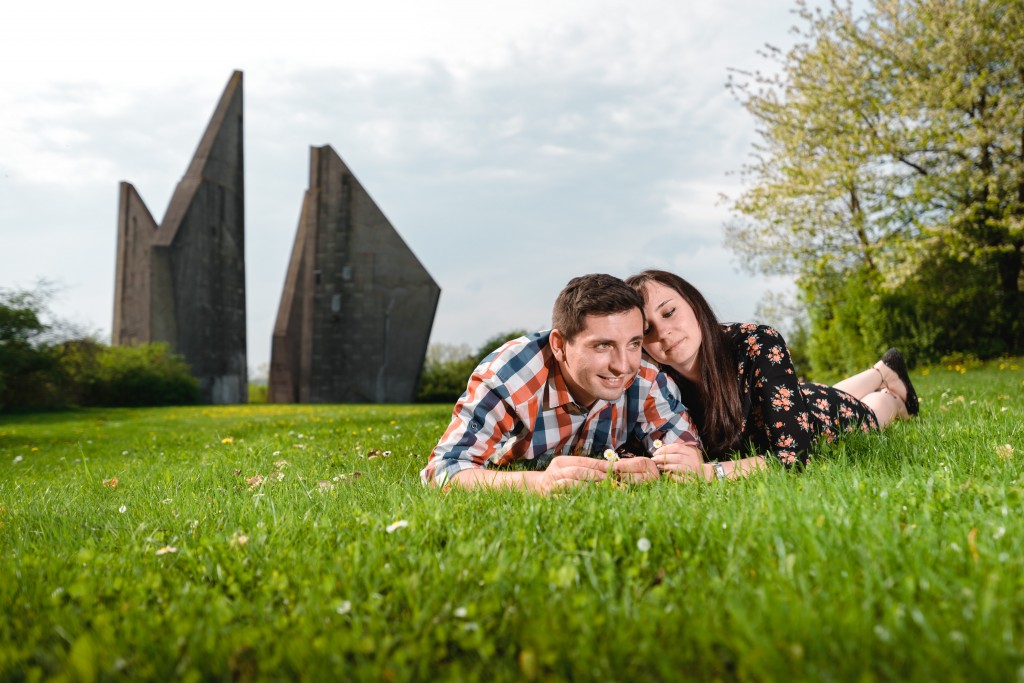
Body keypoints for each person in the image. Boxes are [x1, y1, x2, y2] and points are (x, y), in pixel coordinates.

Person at [624, 269, 920, 481]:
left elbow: (793, 458)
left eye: (669, 312)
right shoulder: (656, 384)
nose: (663, 332)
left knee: (874, 412)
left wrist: (709, 472)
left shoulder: (758, 342)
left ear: (693, 302)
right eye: (647, 329)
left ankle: (891, 394)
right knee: (804, 393)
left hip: (821, 418)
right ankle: (882, 370)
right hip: (794, 400)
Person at [420, 273, 701, 492]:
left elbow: (689, 455)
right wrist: (538, 484)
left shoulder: (646, 375)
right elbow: (443, 470)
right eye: (603, 346)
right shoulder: (510, 376)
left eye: (634, 343)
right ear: (559, 345)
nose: (623, 365)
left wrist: (659, 468)